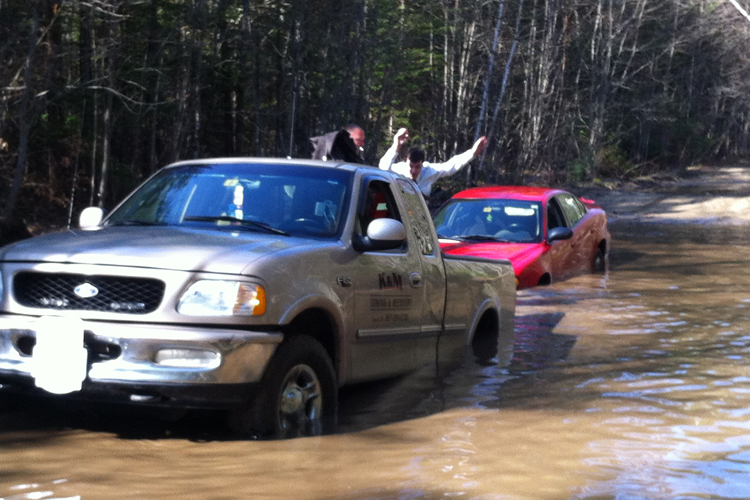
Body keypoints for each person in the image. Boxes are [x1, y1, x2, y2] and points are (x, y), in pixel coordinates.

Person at [379, 128, 488, 197]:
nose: (413, 171)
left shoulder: (429, 171)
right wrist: (396, 145)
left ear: (423, 163)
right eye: (411, 166)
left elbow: (451, 165)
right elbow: (382, 168)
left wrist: (473, 152)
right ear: (406, 160)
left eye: (417, 167)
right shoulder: (399, 170)